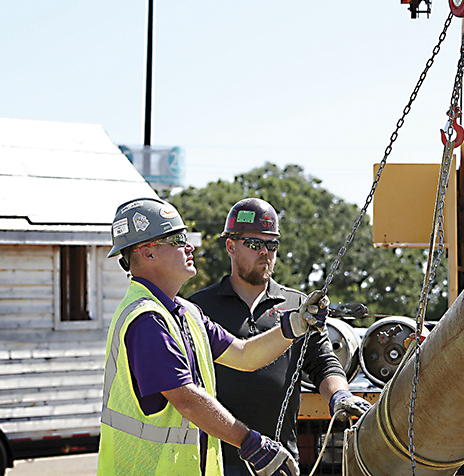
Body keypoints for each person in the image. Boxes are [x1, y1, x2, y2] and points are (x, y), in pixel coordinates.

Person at [97, 197, 328, 476]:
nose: (190, 247)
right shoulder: (147, 319)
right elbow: (186, 399)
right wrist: (250, 442)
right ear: (148, 253)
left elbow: (244, 355)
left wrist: (294, 326)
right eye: (178, 239)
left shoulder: (186, 313)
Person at [187, 198, 370, 476]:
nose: (265, 252)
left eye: (272, 244)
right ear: (230, 246)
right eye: (254, 243)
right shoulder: (199, 307)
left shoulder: (299, 306)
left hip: (280, 460)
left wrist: (340, 396)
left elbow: (322, 364)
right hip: (215, 460)